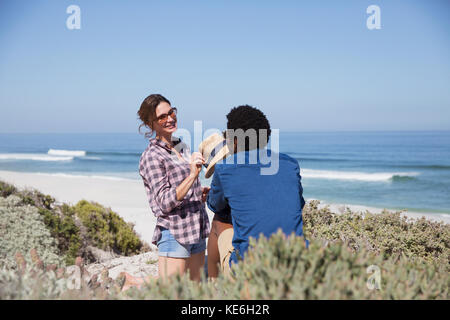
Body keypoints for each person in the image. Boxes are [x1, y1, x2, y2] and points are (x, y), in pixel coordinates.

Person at [205, 105, 307, 277]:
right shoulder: (290, 164)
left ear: (235, 141)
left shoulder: (225, 168)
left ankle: (213, 287)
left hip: (251, 270)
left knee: (219, 220)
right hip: (297, 265)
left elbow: (215, 205)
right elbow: (298, 203)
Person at [137, 94, 210, 282]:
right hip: (175, 233)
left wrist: (198, 193)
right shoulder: (152, 156)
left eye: (171, 112)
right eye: (162, 117)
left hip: (197, 229)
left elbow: (182, 188)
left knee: (196, 294)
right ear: (150, 123)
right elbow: (164, 202)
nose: (170, 119)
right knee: (171, 295)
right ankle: (131, 284)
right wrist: (193, 175)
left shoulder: (181, 145)